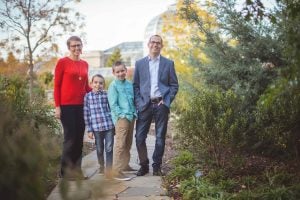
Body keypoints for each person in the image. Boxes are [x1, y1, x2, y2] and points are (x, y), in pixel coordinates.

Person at [133, 34, 179, 176]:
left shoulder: (168, 63)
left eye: (158, 43)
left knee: (160, 137)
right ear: (148, 44)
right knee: (140, 137)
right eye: (153, 42)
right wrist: (139, 102)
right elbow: (135, 86)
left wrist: (166, 101)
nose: (155, 45)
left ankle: (157, 166)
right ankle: (144, 165)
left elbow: (174, 85)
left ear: (161, 46)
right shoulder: (139, 64)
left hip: (161, 104)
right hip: (144, 105)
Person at [54, 36, 91, 179]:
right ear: (69, 47)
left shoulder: (85, 64)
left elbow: (86, 86)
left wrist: (98, 92)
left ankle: (76, 171)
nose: (77, 48)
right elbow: (56, 86)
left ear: (82, 46)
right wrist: (57, 107)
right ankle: (65, 173)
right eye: (74, 46)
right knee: (70, 139)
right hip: (66, 106)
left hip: (81, 106)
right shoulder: (62, 62)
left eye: (79, 45)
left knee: (79, 139)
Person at [108, 61, 137, 181]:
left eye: (122, 71)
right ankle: (116, 170)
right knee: (120, 144)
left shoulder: (129, 84)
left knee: (128, 143)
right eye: (118, 71)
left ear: (126, 71)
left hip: (131, 116)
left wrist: (134, 113)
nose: (120, 73)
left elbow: (133, 100)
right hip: (121, 118)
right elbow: (113, 104)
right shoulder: (113, 85)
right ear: (114, 73)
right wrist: (122, 115)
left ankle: (125, 165)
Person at [83, 74, 114, 178]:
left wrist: (114, 123)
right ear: (91, 84)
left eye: (101, 83)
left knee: (109, 148)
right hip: (96, 128)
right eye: (95, 82)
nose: (98, 85)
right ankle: (101, 166)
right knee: (100, 149)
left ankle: (109, 170)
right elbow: (86, 113)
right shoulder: (88, 96)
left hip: (108, 125)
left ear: (103, 85)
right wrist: (89, 129)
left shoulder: (106, 94)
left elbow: (111, 108)